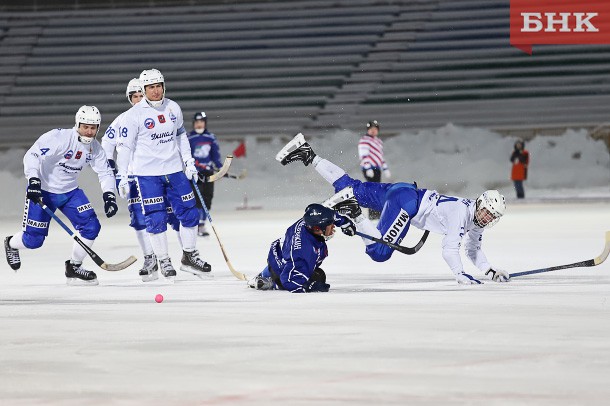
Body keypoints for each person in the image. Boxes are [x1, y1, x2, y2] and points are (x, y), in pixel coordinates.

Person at [276, 133, 510, 285]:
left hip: (404, 191)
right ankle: (355, 212)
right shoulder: (461, 214)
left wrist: (490, 271)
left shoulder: (473, 217)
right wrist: (460, 274)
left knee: (349, 185)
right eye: (486, 211)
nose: (485, 217)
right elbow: (450, 249)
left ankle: (308, 153)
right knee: (380, 253)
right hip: (407, 205)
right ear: (479, 203)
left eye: (491, 216)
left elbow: (472, 249)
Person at [4, 105, 118, 285]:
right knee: (33, 241)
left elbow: (105, 172)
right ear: (77, 124)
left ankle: (74, 267)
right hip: (43, 192)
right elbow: (32, 155)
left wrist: (109, 195)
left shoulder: (95, 148)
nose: (89, 132)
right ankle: (10, 243)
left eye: (93, 127)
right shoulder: (59, 138)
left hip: (70, 193)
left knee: (91, 227)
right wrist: (34, 180)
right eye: (85, 126)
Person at [115, 68, 211, 282]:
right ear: (143, 89)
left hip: (175, 170)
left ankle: (189, 256)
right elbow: (124, 149)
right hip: (147, 174)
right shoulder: (133, 116)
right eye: (151, 87)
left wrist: (188, 161)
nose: (156, 91)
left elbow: (181, 136)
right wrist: (122, 176)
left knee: (189, 212)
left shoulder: (173, 107)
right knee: (155, 218)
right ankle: (164, 260)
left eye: (159, 86)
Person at [101, 78, 183, 282]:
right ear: (130, 99)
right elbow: (107, 142)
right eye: (134, 96)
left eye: (140, 95)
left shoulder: (163, 112)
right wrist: (111, 166)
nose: (138, 99)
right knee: (139, 219)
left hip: (158, 174)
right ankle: (150, 258)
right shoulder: (123, 119)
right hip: (133, 176)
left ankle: (185, 255)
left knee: (171, 215)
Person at [250, 203, 356, 292]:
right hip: (282, 270)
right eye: (330, 225)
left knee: (316, 274)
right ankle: (272, 282)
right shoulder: (302, 252)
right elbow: (288, 280)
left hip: (279, 253)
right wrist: (310, 287)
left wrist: (344, 223)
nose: (333, 226)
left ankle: (266, 274)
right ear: (318, 229)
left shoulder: (309, 220)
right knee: (318, 277)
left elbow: (330, 215)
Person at [187, 111, 223, 237]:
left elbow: (215, 156)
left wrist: (220, 168)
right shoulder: (189, 138)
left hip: (208, 173)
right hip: (195, 174)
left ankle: (202, 223)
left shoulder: (210, 138)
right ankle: (199, 225)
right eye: (196, 122)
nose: (199, 124)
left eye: (201, 121)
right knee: (197, 199)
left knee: (207, 198)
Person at [358, 120, 390, 220]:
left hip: (377, 168)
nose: (373, 131)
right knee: (373, 191)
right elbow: (364, 155)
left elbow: (380, 156)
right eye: (371, 129)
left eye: (375, 129)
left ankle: (377, 213)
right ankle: (373, 214)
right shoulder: (364, 140)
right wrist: (367, 167)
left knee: (377, 190)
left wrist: (385, 168)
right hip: (369, 168)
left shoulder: (378, 141)